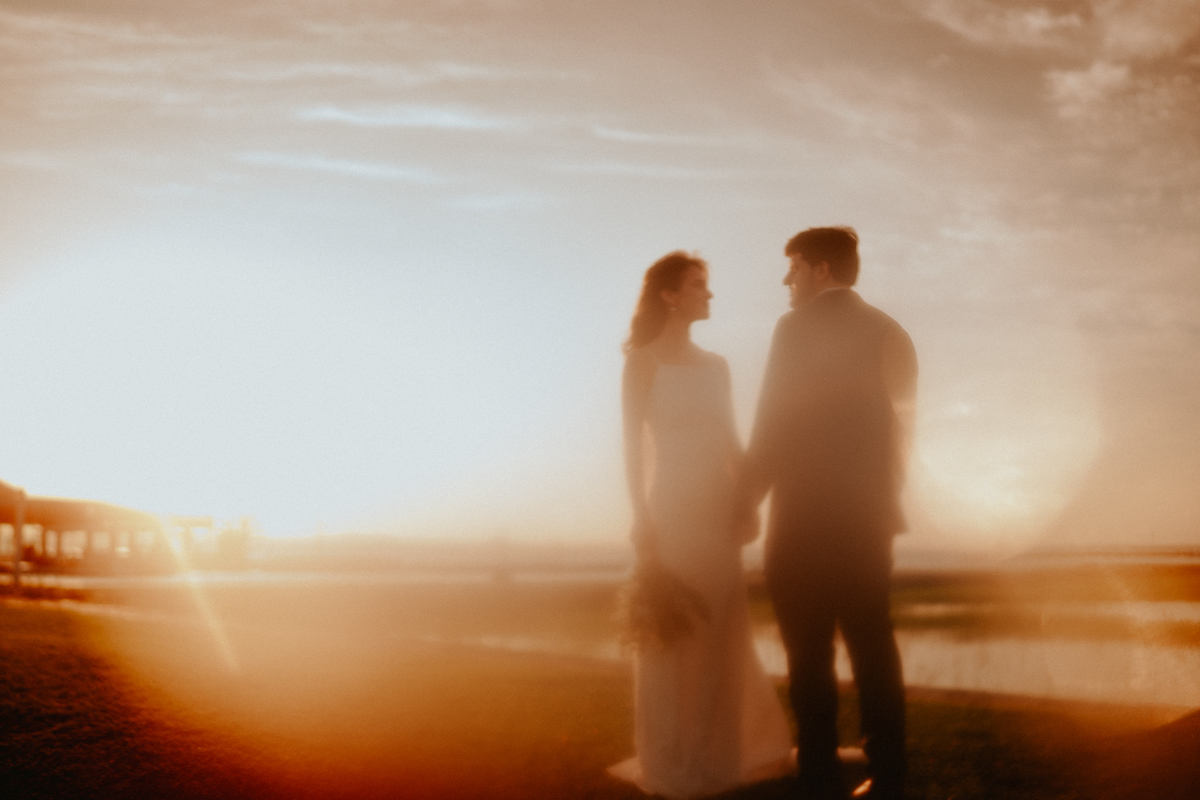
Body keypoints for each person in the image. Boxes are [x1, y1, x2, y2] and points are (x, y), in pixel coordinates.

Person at [735, 228, 917, 800]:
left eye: (792, 267)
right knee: (873, 646)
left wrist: (744, 500)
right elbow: (903, 432)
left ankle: (816, 770)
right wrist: (886, 502)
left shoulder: (795, 328)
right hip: (869, 521)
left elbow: (773, 422)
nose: (786, 280)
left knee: (807, 653)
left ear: (820, 270)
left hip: (804, 521)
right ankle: (888, 771)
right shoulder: (893, 333)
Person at [609, 251, 794, 799]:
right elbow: (630, 450)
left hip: (716, 515)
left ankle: (717, 754)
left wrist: (747, 502)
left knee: (718, 630)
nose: (709, 295)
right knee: (672, 636)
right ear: (669, 294)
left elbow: (731, 442)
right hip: (671, 512)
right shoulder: (642, 362)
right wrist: (640, 520)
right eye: (699, 286)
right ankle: (671, 760)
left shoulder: (717, 367)